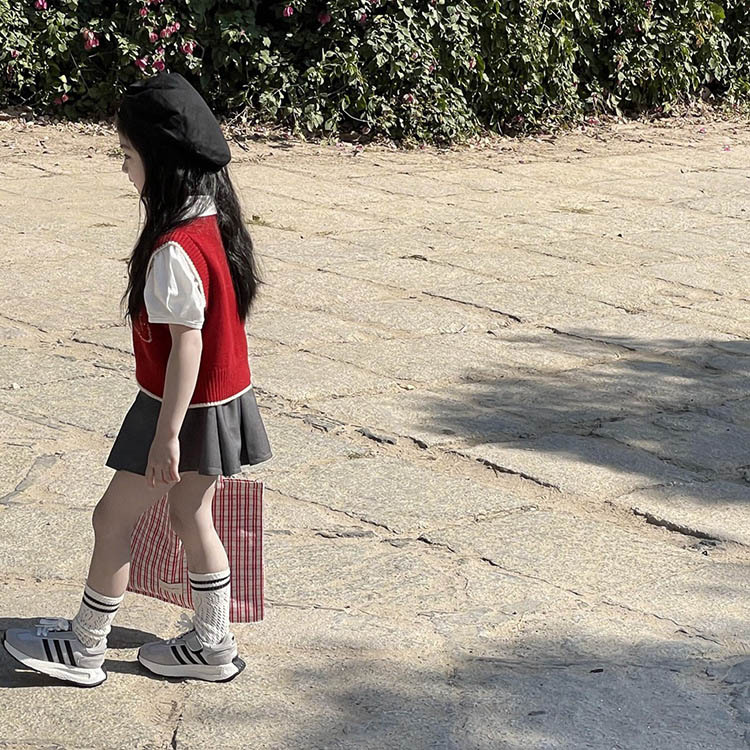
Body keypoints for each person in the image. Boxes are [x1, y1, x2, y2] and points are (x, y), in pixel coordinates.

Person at [3, 72, 272, 686]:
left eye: (127, 154)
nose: (124, 168)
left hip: (178, 411)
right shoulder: (214, 221)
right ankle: (213, 645)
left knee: (111, 519)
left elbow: (186, 347)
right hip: (219, 403)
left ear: (161, 160)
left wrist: (166, 435)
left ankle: (85, 646)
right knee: (191, 516)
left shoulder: (174, 249)